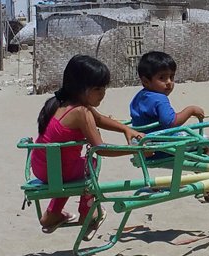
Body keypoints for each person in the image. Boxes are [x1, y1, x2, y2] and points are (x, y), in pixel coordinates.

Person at [31, 55, 145, 240]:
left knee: (73, 167)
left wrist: (125, 129)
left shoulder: (60, 103)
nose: (103, 93)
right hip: (60, 171)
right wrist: (136, 150)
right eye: (98, 89)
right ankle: (88, 213)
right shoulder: (81, 112)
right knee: (89, 163)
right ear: (81, 89)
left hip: (41, 168)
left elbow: (99, 119)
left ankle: (53, 213)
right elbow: (100, 149)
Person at [129, 51, 209, 201]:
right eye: (162, 78)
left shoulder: (139, 97)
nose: (169, 82)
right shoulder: (159, 99)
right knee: (206, 143)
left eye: (171, 77)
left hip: (147, 147)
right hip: (164, 147)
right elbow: (170, 122)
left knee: (195, 142)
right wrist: (189, 110)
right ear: (146, 81)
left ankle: (208, 181)